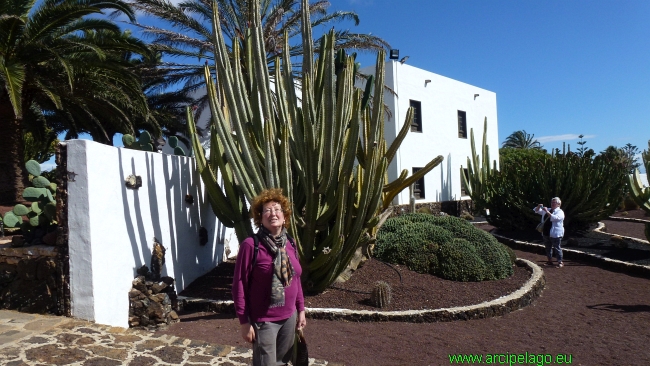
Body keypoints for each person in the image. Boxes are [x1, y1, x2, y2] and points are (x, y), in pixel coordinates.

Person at [232, 188, 306, 366]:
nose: (273, 213)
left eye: (277, 209)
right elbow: (239, 284)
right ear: (260, 218)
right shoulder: (251, 245)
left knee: (282, 362)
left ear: (285, 215)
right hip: (264, 321)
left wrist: (301, 309)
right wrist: (244, 322)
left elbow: (295, 279)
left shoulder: (290, 242)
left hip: (289, 317)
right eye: (267, 210)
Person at [534, 197, 565, 268]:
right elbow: (536, 210)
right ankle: (549, 261)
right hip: (546, 232)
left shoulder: (560, 212)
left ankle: (560, 262)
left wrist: (547, 212)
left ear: (558, 204)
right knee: (548, 247)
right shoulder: (548, 209)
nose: (553, 204)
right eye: (552, 202)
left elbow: (555, 218)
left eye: (554, 203)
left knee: (557, 248)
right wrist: (539, 206)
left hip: (555, 234)